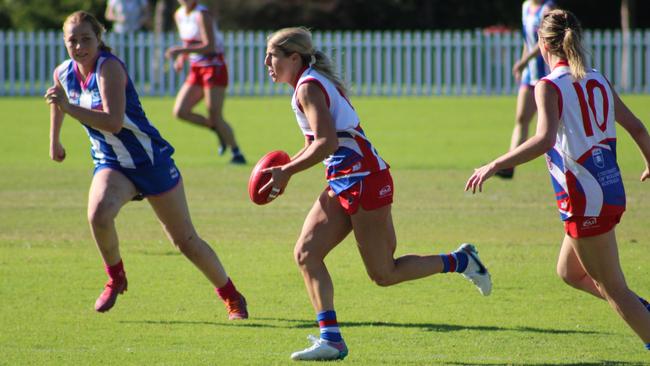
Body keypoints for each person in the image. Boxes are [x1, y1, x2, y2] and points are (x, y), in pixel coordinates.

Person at [262, 27, 492, 361]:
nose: (267, 63)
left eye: (273, 56)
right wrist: (286, 171)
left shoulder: (309, 87)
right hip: (344, 179)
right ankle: (332, 340)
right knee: (306, 253)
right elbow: (317, 143)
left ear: (293, 58)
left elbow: (327, 142)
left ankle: (462, 261)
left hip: (366, 179)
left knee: (384, 274)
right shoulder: (305, 84)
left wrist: (288, 171)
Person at [466, 9, 650, 351]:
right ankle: (642, 310)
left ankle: (641, 317)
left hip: (585, 196)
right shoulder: (598, 78)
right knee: (569, 272)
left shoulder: (548, 85)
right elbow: (638, 127)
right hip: (609, 187)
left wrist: (493, 164)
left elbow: (544, 140)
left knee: (614, 289)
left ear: (542, 44)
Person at [44, 10, 248, 319]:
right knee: (98, 215)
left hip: (149, 160)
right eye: (72, 40)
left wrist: (69, 108)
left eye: (86, 38)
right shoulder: (63, 71)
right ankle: (116, 277)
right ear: (64, 42)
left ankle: (232, 296)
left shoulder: (108, 68)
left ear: (99, 39)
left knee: (186, 241)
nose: (79, 46)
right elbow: (58, 99)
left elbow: (113, 122)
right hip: (112, 163)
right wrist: (54, 140)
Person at [165, 0, 246, 164]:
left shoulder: (202, 14)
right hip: (196, 68)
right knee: (180, 111)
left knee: (215, 114)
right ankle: (217, 130)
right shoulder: (179, 14)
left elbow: (210, 46)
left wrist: (181, 51)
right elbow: (188, 42)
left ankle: (237, 153)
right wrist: (182, 58)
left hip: (213, 67)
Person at [496, 0, 556, 179]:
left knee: (552, 124)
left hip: (547, 74)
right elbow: (528, 41)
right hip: (530, 74)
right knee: (521, 118)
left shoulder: (548, 7)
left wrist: (523, 61)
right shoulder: (525, 6)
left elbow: (545, 40)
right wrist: (524, 64)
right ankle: (509, 166)